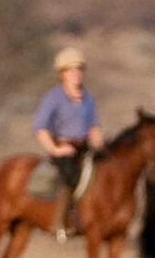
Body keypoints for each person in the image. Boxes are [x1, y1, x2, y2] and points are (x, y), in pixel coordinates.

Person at [32, 46, 104, 244]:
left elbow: (93, 125)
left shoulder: (87, 97)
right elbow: (40, 127)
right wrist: (55, 149)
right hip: (63, 147)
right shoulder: (54, 97)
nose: (76, 74)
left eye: (79, 69)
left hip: (84, 146)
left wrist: (98, 140)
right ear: (62, 74)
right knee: (71, 178)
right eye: (71, 70)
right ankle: (58, 223)